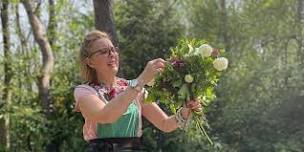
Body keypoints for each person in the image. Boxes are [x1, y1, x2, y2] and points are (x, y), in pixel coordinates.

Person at [74, 30, 202, 152]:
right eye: (103, 51)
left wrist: (187, 108)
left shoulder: (133, 88)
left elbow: (165, 124)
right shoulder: (85, 91)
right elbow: (107, 116)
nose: (112, 54)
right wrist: (141, 80)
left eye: (113, 50)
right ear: (90, 62)